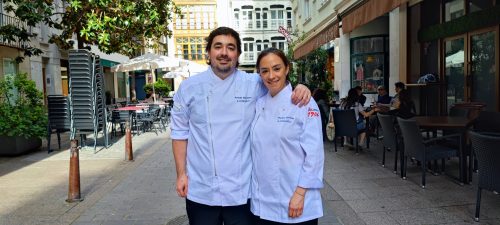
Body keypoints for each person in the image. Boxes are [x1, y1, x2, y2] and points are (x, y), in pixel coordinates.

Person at [170, 27, 311, 225]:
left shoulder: (254, 83)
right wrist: (181, 174)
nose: (224, 53)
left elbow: (278, 84)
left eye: (231, 47)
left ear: (238, 54)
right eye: (218, 47)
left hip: (242, 191)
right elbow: (179, 132)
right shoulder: (189, 88)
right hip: (201, 188)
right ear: (209, 52)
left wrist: (300, 87)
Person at [251, 48, 324, 225]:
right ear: (259, 74)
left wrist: (300, 194)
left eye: (277, 68)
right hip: (263, 202)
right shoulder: (259, 103)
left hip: (296, 200)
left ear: (287, 69)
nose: (271, 76)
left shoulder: (304, 102)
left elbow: (314, 155)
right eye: (265, 71)